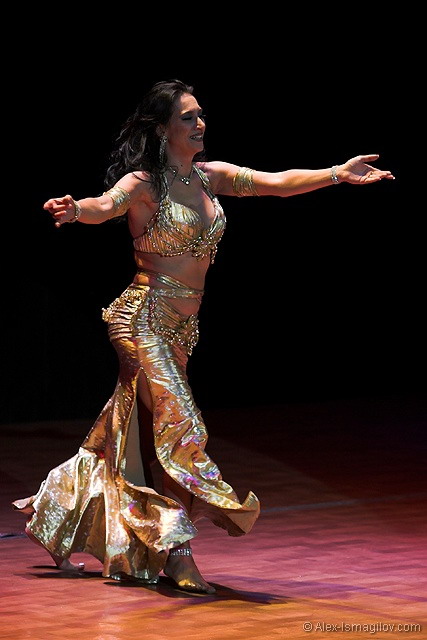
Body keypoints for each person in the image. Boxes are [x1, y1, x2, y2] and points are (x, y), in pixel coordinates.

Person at [12, 79, 395, 595]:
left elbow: (277, 183)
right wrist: (77, 209)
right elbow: (105, 204)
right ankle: (177, 553)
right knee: (180, 425)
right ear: (162, 129)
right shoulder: (143, 184)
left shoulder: (212, 179)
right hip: (141, 319)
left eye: (200, 115)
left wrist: (336, 174)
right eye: (187, 117)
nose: (200, 124)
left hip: (182, 329)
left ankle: (56, 515)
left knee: (129, 430)